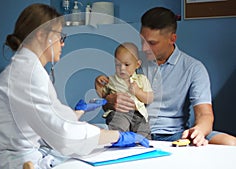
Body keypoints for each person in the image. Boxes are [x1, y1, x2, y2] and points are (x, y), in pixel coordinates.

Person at [0, 4, 150, 169]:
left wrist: (79, 112)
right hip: (9, 161)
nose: (63, 43)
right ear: (42, 35)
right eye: (60, 35)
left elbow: (52, 116)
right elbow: (63, 133)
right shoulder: (27, 74)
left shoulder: (27, 69)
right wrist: (117, 137)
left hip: (13, 153)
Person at [99, 7, 236, 146]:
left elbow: (204, 114)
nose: (144, 48)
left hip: (174, 134)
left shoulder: (194, 68)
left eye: (152, 43)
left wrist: (198, 131)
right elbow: (109, 102)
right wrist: (110, 100)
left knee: (230, 142)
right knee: (88, 134)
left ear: (172, 38)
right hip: (133, 129)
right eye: (142, 41)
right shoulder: (131, 61)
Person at [95, 42, 153, 139]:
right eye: (118, 64)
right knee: (118, 130)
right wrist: (98, 85)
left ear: (137, 64)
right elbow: (103, 96)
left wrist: (138, 92)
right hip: (119, 113)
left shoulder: (141, 79)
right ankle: (118, 144)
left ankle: (142, 148)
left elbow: (149, 99)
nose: (122, 68)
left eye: (126, 64)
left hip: (139, 114)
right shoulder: (111, 80)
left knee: (144, 134)